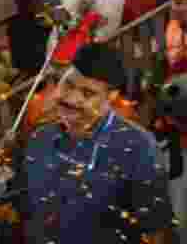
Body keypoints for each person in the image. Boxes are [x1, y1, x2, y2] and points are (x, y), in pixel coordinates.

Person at [12, 43, 174, 244]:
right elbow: (24, 206)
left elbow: (156, 229)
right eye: (68, 85)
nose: (72, 99)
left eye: (88, 93)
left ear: (111, 97)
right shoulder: (40, 138)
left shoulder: (138, 147)